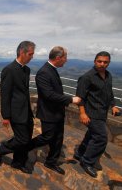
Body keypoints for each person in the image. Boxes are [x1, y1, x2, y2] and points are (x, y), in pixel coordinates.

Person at [26, 46, 81, 175]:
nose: (66, 61)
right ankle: (26, 146)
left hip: (57, 112)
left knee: (58, 138)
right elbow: (49, 95)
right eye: (65, 58)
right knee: (47, 137)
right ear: (58, 58)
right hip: (49, 113)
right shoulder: (44, 72)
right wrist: (71, 99)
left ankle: (51, 162)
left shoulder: (51, 69)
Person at [74, 51, 120, 178]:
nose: (102, 64)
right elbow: (80, 97)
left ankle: (79, 153)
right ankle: (87, 161)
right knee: (101, 138)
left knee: (91, 135)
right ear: (94, 61)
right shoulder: (87, 77)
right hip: (91, 113)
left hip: (102, 112)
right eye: (99, 61)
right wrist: (82, 113)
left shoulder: (108, 75)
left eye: (105, 62)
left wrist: (113, 105)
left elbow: (109, 92)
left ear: (109, 63)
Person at [0, 41, 36, 174]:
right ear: (22, 52)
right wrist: (5, 116)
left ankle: (18, 162)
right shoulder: (9, 70)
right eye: (30, 54)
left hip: (26, 111)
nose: (32, 57)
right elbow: (5, 94)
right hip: (15, 112)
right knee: (22, 139)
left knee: (27, 139)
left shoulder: (27, 69)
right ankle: (3, 147)